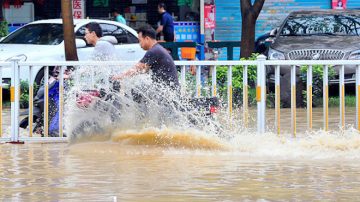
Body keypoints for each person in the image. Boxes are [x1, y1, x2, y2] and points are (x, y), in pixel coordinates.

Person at [112, 24, 179, 89]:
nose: (139, 44)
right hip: (168, 89)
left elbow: (136, 69)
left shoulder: (154, 51)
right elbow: (142, 70)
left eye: (140, 40)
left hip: (167, 91)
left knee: (136, 90)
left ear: (147, 38)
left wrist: (119, 76)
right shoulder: (158, 48)